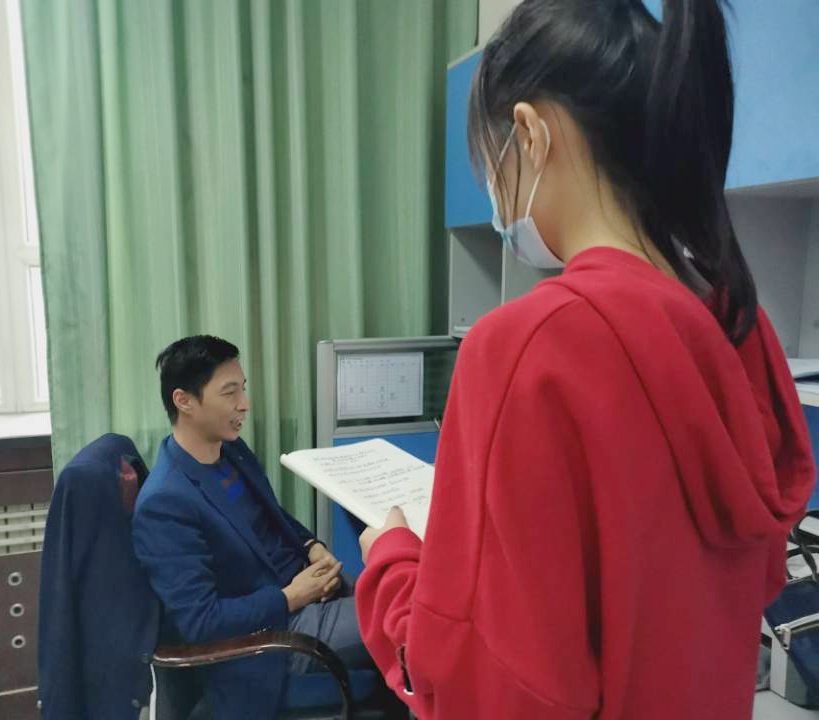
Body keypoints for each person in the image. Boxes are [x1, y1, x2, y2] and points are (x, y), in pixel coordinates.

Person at [354, 1, 816, 718]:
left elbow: (480, 688)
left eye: (491, 162)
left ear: (530, 134)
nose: (496, 192)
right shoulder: (736, 327)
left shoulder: (529, 347)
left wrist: (391, 560)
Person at [132, 335, 370, 720]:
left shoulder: (229, 451)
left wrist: (310, 545)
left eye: (242, 389)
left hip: (306, 590)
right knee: (412, 621)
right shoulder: (165, 503)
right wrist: (291, 596)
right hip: (274, 637)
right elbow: (201, 621)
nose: (244, 404)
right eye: (230, 393)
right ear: (184, 401)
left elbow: (271, 515)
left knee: (416, 596)